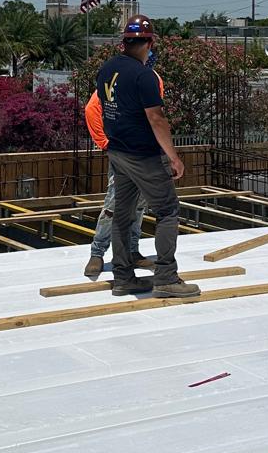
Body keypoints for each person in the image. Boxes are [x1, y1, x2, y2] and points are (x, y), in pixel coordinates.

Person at [92, 15, 199, 297]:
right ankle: (166, 278)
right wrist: (174, 158)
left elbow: (105, 109)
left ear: (125, 41)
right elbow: (157, 119)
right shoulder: (144, 76)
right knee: (167, 211)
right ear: (149, 43)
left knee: (122, 215)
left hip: (118, 152)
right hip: (142, 155)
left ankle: (123, 277)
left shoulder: (107, 69)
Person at [82, 47, 161, 278]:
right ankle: (97, 253)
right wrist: (105, 142)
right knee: (114, 204)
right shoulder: (121, 79)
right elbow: (92, 109)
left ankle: (132, 251)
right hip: (123, 153)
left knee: (138, 205)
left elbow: (154, 116)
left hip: (145, 153)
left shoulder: (154, 80)